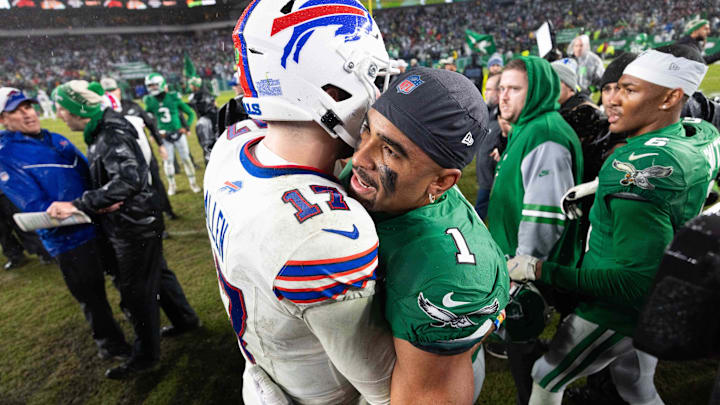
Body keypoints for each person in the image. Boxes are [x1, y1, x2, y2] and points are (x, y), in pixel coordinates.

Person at [204, 1, 395, 403]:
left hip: (269, 368)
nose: (380, 92)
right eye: (373, 76)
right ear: (330, 89)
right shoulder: (325, 233)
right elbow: (391, 392)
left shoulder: (231, 144)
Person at [508, 45, 719, 405]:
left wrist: (541, 269)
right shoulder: (698, 134)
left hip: (617, 309)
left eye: (630, 90)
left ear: (671, 97)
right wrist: (595, 188)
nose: (611, 100)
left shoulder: (639, 173)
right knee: (633, 381)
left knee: (546, 375)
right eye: (614, 87)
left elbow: (635, 281)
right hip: (653, 301)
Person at [346, 67, 510, 404]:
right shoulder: (404, 187)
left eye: (390, 151)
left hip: (428, 369)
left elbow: (426, 394)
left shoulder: (448, 276)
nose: (360, 157)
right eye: (367, 131)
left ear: (439, 183)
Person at [48, 80, 174, 379]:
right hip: (139, 218)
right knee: (160, 275)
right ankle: (185, 319)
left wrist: (83, 202)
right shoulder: (104, 129)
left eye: (62, 109)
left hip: (134, 223)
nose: (60, 116)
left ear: (78, 109)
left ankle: (145, 356)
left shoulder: (109, 133)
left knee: (135, 292)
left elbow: (128, 180)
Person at [0, 87, 132, 360]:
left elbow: (90, 175)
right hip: (69, 239)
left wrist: (103, 198)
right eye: (17, 110)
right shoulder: (6, 155)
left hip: (99, 225)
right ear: (3, 119)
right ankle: (111, 346)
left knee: (124, 278)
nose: (28, 114)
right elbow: (33, 205)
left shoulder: (55, 138)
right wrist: (80, 208)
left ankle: (138, 327)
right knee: (92, 296)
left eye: (28, 106)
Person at [487, 55, 584, 405]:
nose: (503, 96)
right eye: (502, 88)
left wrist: (522, 269)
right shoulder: (530, 127)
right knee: (523, 349)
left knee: (522, 352)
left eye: (515, 89)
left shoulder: (545, 133)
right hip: (520, 263)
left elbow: (545, 215)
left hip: (530, 271)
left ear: (539, 90)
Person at [100, 77, 178, 220]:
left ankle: (167, 210)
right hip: (123, 159)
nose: (110, 94)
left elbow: (150, 124)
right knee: (137, 190)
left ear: (118, 90)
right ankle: (151, 217)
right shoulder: (103, 113)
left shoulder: (132, 106)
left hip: (145, 154)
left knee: (155, 183)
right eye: (107, 92)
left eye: (112, 90)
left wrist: (161, 145)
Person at [143, 73, 199, 195]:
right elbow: (147, 119)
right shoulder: (150, 101)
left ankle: (193, 183)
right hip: (164, 136)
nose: (152, 88)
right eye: (150, 86)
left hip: (179, 134)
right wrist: (154, 133)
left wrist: (186, 127)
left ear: (161, 84)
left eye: (154, 85)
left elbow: (190, 113)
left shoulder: (173, 97)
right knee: (168, 162)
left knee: (186, 159)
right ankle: (172, 186)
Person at [475, 71, 501, 219]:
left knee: (480, 209)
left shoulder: (504, 117)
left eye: (489, 89)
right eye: (486, 88)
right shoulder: (487, 113)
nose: (485, 92)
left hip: (493, 177)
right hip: (483, 173)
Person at [187, 76, 218, 164]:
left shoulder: (201, 94)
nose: (189, 86)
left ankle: (209, 162)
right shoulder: (202, 93)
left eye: (191, 85)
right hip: (210, 120)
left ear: (195, 85)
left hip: (208, 122)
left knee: (207, 144)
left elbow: (205, 108)